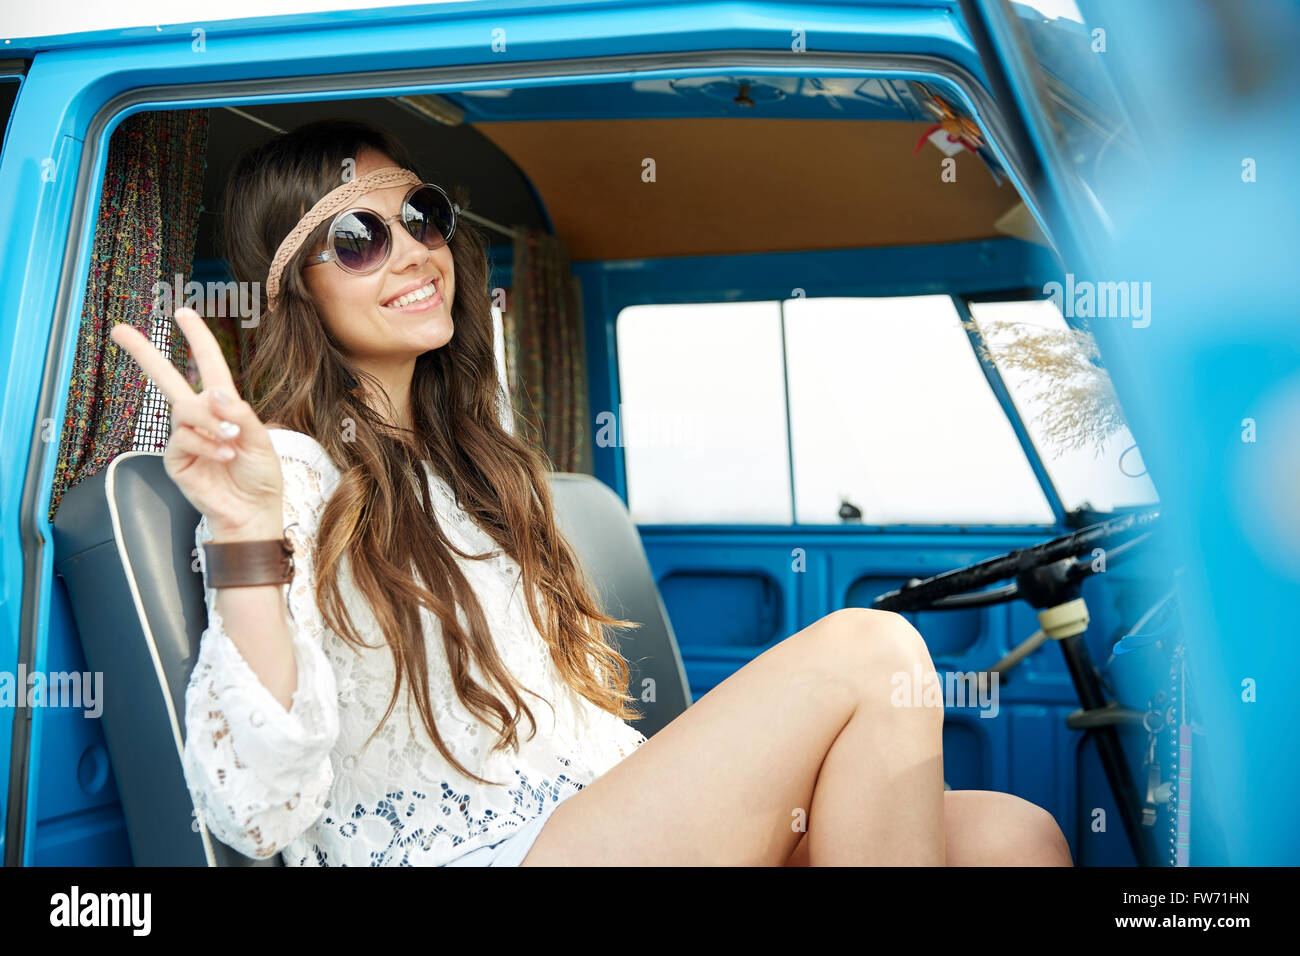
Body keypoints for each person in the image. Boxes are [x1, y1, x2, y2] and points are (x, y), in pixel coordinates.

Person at [110, 119, 1072, 867]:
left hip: (584, 819)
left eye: (422, 216)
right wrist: (243, 528)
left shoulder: (483, 468)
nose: (409, 250)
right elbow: (256, 807)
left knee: (1012, 839)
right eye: (358, 239)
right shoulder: (290, 475)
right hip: (476, 855)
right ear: (295, 293)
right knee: (873, 647)